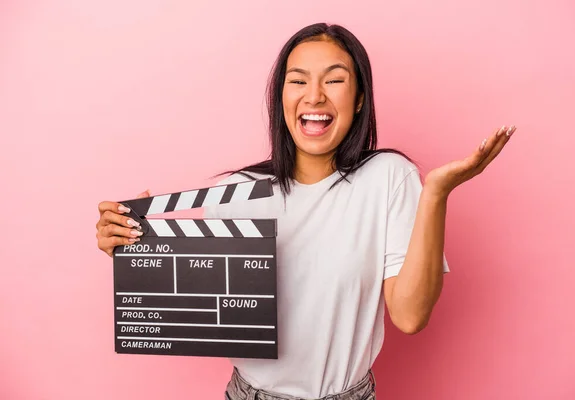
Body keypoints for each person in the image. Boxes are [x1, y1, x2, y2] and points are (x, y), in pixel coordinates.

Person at [96, 22, 516, 400]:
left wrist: (436, 195)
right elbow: (208, 309)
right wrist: (137, 252)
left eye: (334, 80)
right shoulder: (235, 193)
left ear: (359, 100)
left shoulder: (389, 177)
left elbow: (410, 315)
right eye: (298, 81)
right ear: (281, 97)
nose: (314, 95)